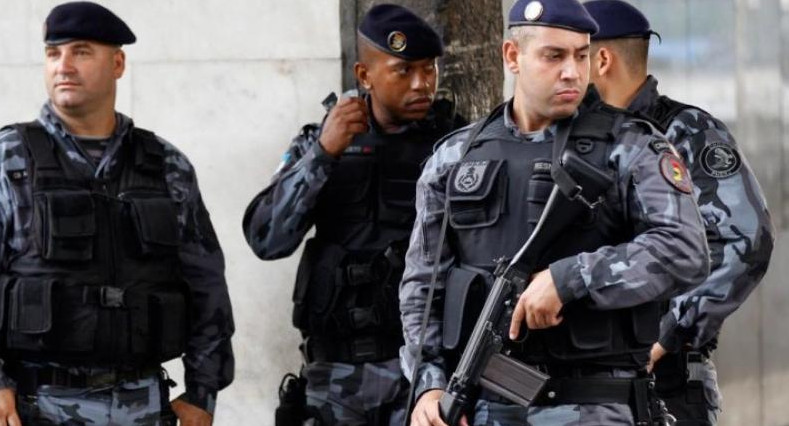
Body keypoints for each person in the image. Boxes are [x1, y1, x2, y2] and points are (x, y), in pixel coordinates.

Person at [400, 0, 712, 424]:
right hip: (484, 406)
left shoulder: (630, 147)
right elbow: (423, 285)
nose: (572, 71)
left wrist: (570, 280)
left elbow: (685, 250)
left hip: (598, 406)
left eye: (581, 55)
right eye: (554, 56)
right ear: (512, 56)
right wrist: (429, 385)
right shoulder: (456, 157)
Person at [0, 2, 235, 425]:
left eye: (82, 51)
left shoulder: (167, 165)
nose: (64, 66)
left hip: (143, 405)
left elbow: (207, 287)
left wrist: (203, 393)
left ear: (118, 62)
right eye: (53, 54)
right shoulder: (9, 160)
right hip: (38, 406)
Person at [242, 4, 465, 424]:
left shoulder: (456, 146)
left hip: (420, 372)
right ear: (365, 76)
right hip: (336, 377)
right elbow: (266, 239)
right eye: (404, 71)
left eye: (429, 69)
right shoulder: (321, 141)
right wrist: (323, 154)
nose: (422, 84)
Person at [583, 1, 775, 424]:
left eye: (572, 55)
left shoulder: (684, 132)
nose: (563, 70)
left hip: (665, 383)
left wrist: (670, 332)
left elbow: (746, 239)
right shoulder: (575, 138)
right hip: (583, 385)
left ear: (600, 59)